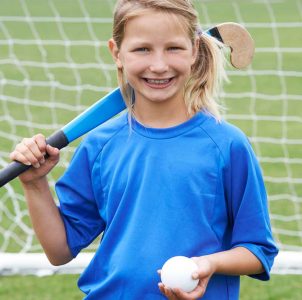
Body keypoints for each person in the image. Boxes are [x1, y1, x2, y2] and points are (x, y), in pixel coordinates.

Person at [10, 0, 278, 299]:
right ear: (117, 53)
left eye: (174, 48)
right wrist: (34, 185)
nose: (159, 65)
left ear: (194, 52)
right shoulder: (99, 145)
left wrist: (208, 264)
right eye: (142, 49)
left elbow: (258, 250)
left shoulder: (227, 145)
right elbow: (59, 251)